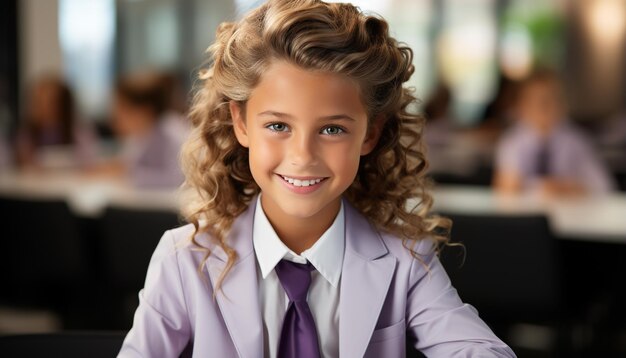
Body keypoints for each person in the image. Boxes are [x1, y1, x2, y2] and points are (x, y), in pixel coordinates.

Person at [119, 1, 515, 357]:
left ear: (370, 134)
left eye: (332, 130)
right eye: (277, 125)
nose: (302, 156)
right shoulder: (184, 259)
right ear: (240, 124)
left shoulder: (405, 261)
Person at [494, 70, 614, 196]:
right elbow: (506, 187)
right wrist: (542, 187)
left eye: (551, 99)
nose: (544, 107)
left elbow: (603, 186)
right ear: (522, 105)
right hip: (524, 213)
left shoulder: (577, 141)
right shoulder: (512, 141)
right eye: (537, 101)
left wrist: (571, 188)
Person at [89, 72, 186, 188]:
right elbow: (125, 164)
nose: (115, 116)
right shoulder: (140, 135)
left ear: (144, 111)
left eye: (122, 108)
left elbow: (177, 180)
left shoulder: (172, 134)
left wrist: (128, 174)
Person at [14, 75, 97, 170]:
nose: (43, 108)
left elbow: (88, 161)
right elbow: (23, 162)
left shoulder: (79, 131)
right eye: (39, 102)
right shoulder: (27, 134)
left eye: (49, 102)